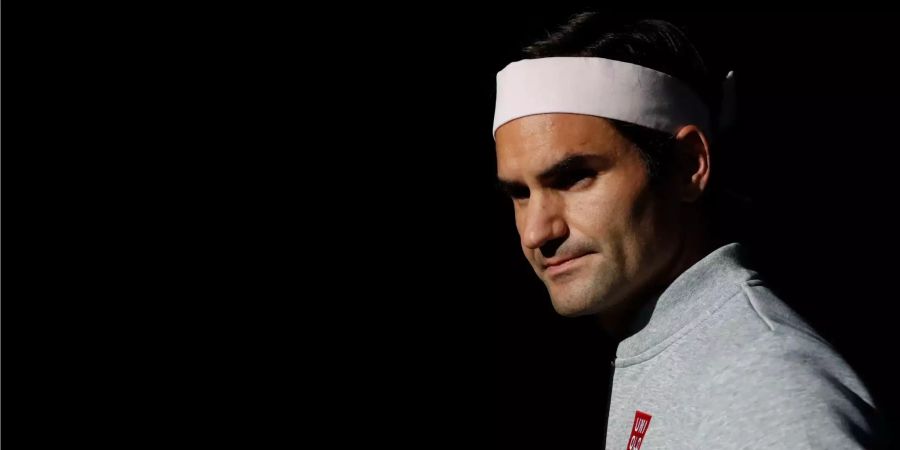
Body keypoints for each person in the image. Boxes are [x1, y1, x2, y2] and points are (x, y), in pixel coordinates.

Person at [492, 13, 884, 448]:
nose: (536, 232)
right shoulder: (686, 353)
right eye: (519, 193)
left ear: (688, 165)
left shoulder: (767, 383)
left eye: (574, 177)